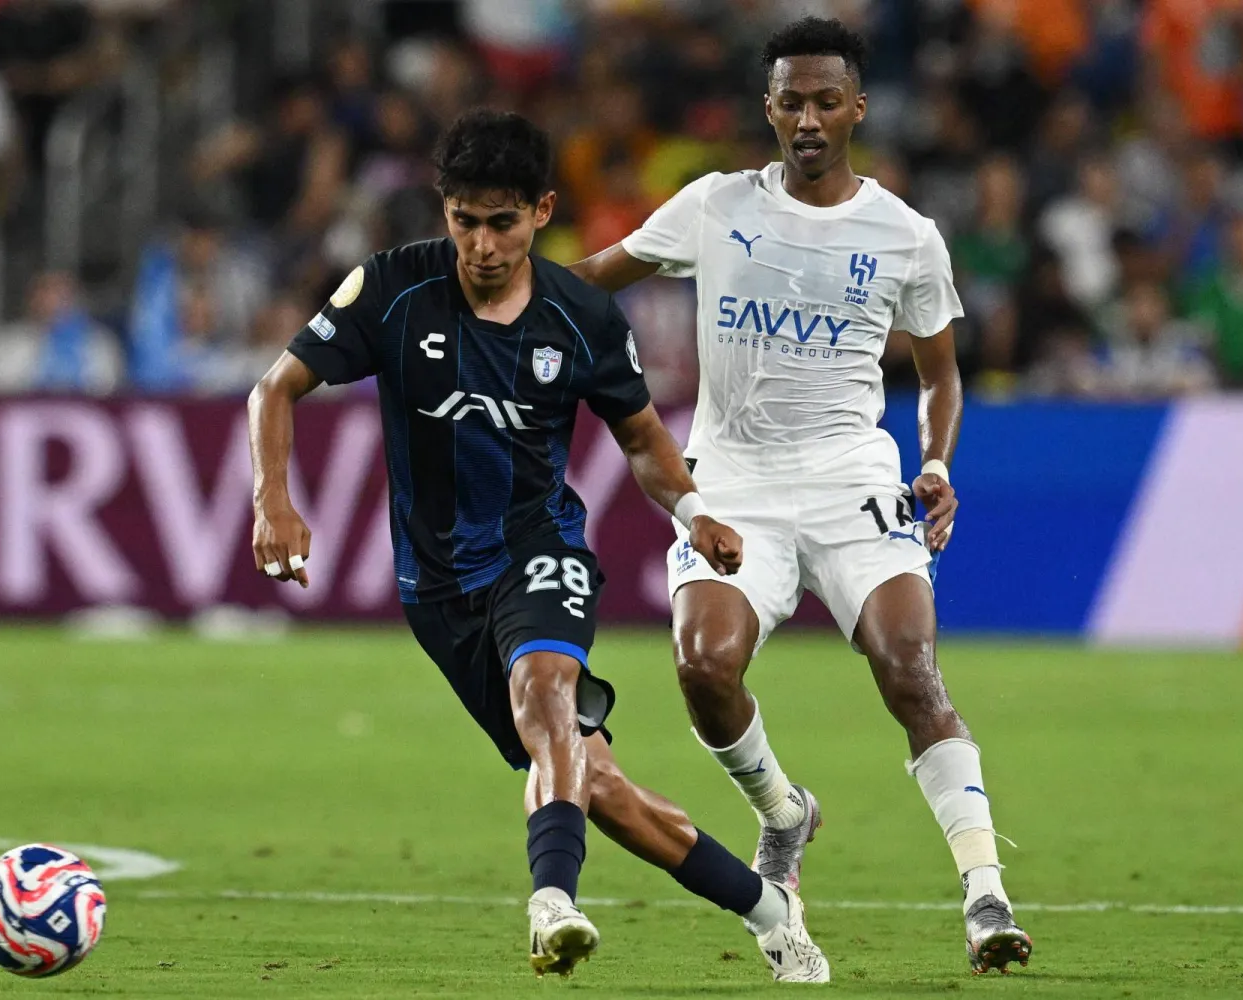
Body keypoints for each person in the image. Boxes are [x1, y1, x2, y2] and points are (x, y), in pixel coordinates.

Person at [247, 109, 830, 984]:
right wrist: (272, 500)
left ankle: (553, 902)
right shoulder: (392, 289)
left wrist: (694, 510)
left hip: (540, 547)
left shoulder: (581, 315)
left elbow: (641, 439)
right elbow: (275, 388)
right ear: (444, 210)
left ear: (543, 211)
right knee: (599, 787)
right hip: (437, 587)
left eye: (503, 222)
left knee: (548, 684)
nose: (482, 245)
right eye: (465, 221)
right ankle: (769, 910)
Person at [567, 17, 1033, 975]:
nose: (809, 119)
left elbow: (941, 375)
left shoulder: (906, 235)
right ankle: (783, 810)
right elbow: (591, 281)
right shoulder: (715, 204)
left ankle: (986, 894)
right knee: (704, 667)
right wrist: (479, 294)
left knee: (910, 670)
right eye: (791, 102)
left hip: (851, 481)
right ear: (769, 109)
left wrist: (936, 463)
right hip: (732, 482)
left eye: (826, 101)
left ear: (858, 107)